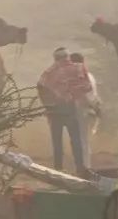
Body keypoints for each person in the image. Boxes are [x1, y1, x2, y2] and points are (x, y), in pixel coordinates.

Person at [36, 48, 92, 176]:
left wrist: (48, 104)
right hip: (70, 108)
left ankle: (58, 169)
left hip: (54, 110)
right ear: (67, 56)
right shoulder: (78, 68)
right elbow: (87, 87)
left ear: (55, 58)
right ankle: (80, 169)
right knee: (76, 140)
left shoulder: (49, 72)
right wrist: (72, 93)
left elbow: (40, 86)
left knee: (57, 141)